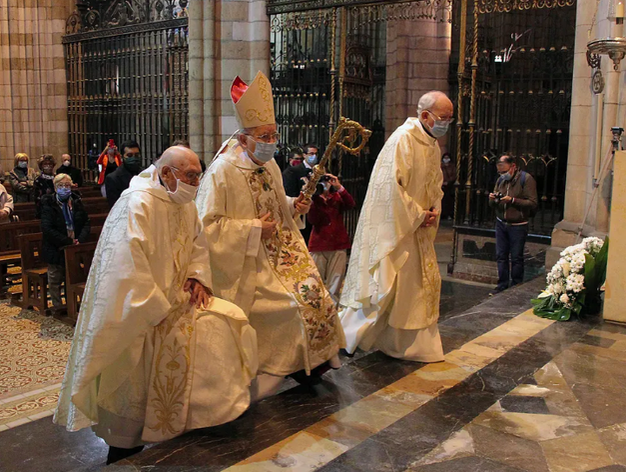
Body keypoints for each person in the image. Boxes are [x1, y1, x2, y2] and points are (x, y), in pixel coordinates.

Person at [54, 146, 257, 465]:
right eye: (191, 175)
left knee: (226, 323)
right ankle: (123, 453)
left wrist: (197, 277)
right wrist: (156, 306)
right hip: (142, 315)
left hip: (177, 303)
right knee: (133, 398)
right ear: (166, 173)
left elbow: (197, 244)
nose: (196, 182)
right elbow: (126, 266)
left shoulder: (184, 203)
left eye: (198, 174)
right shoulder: (137, 203)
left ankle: (194, 426)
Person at [196, 71, 344, 397]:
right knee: (290, 307)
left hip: (284, 254)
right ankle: (275, 371)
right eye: (263, 136)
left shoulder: (271, 165)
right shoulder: (222, 172)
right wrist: (252, 229)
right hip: (249, 263)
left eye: (273, 135)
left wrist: (294, 206)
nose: (270, 142)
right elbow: (207, 227)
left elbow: (277, 203)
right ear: (243, 139)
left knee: (317, 295)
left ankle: (311, 363)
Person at [339, 90, 454, 362]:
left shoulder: (432, 145)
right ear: (425, 116)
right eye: (442, 117)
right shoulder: (403, 140)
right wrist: (417, 214)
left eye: (450, 118)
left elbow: (434, 184)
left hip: (418, 230)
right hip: (397, 229)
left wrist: (434, 208)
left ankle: (407, 345)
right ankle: (349, 337)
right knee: (385, 285)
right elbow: (390, 188)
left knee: (415, 288)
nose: (446, 123)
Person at [40, 174, 91, 314]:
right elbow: (47, 228)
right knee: (55, 278)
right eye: (61, 186)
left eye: (67, 185)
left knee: (72, 276)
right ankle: (58, 307)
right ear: (55, 188)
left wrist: (79, 240)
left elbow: (86, 222)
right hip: (56, 247)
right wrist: (68, 241)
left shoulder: (76, 201)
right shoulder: (48, 204)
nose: (64, 188)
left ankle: (72, 305)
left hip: (74, 246)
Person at [489, 154, 538, 293]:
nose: (502, 175)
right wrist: (493, 199)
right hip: (501, 223)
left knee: (516, 257)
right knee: (501, 255)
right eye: (500, 172)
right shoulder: (500, 180)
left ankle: (516, 285)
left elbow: (533, 203)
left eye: (505, 172)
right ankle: (502, 284)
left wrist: (512, 200)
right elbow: (492, 204)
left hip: (518, 224)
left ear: (513, 167)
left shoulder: (526, 179)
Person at [307, 173, 355, 302]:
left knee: (336, 280)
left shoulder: (337, 197)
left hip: (338, 244)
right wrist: (313, 198)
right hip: (319, 244)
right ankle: (316, 307)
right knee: (316, 280)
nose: (324, 184)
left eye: (326, 180)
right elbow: (312, 219)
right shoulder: (314, 200)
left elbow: (351, 204)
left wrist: (339, 186)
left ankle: (333, 310)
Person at [282, 144, 319, 242]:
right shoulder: (293, 171)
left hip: (317, 213)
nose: (314, 156)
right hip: (301, 212)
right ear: (304, 155)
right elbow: (289, 192)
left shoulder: (319, 170)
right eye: (311, 153)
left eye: (315, 154)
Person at [104, 140, 143, 208]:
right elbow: (115, 207)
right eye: (129, 155)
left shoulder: (145, 173)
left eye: (136, 155)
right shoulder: (113, 178)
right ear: (122, 158)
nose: (133, 158)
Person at [440, 152, 456, 219]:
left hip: (449, 186)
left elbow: (454, 175)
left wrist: (448, 182)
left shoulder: (452, 166)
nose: (446, 159)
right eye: (445, 158)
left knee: (448, 201)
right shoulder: (441, 166)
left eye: (447, 158)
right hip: (442, 185)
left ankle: (449, 214)